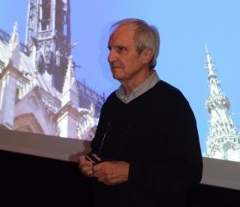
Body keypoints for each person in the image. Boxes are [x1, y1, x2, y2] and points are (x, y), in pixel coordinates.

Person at [78, 18, 203, 206]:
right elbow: (99, 152)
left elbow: (189, 172)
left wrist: (131, 172)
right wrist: (89, 163)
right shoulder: (111, 103)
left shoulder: (173, 103)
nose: (110, 58)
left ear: (146, 56)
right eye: (110, 49)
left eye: (120, 49)